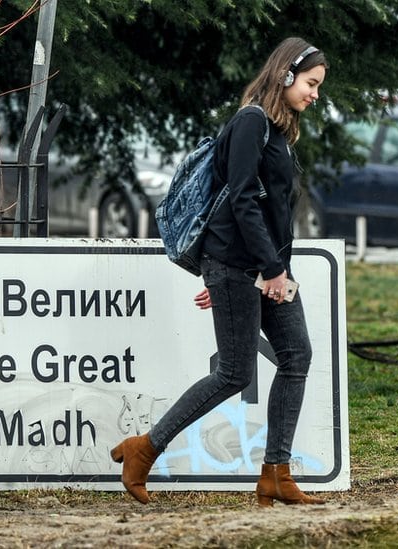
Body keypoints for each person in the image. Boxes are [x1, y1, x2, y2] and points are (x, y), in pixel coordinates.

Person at [110, 37, 329, 507]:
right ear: (286, 75)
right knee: (233, 372)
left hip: (258, 269)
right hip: (240, 264)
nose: (315, 94)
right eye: (310, 83)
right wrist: (256, 273)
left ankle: (275, 472)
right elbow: (242, 200)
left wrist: (274, 271)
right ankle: (143, 449)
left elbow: (273, 215)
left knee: (297, 354)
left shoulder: (278, 131)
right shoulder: (251, 122)